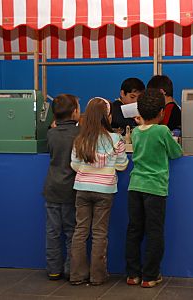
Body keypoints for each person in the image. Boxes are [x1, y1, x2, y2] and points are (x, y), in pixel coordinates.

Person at [125, 89, 183, 288]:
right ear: (161, 112)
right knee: (154, 232)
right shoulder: (162, 131)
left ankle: (133, 274)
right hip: (155, 189)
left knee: (134, 230)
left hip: (135, 186)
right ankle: (150, 276)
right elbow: (176, 153)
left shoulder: (135, 132)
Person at [70, 97, 129, 286]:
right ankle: (97, 276)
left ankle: (77, 275)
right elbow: (122, 165)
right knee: (99, 233)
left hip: (82, 188)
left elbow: (74, 165)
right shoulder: (115, 139)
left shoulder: (80, 139)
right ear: (107, 117)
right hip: (105, 190)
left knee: (80, 231)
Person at [43, 94, 81, 281]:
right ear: (75, 112)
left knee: (52, 232)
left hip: (51, 188)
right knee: (71, 232)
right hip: (71, 189)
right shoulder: (80, 133)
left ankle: (53, 269)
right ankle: (69, 269)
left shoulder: (50, 134)